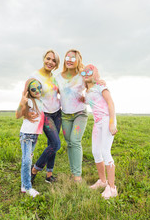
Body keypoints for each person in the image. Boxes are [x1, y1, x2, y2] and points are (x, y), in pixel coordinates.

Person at [82, 64, 118, 199]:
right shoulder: (88, 91)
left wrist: (111, 123)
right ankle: (103, 182)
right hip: (97, 124)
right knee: (96, 152)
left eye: (90, 71)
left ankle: (112, 188)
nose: (86, 73)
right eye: (84, 72)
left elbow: (110, 103)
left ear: (96, 73)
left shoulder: (101, 86)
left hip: (107, 120)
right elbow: (85, 101)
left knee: (105, 152)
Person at [55, 49, 88, 182]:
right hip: (65, 115)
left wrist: (100, 81)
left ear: (78, 60)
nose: (69, 60)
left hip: (80, 114)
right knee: (69, 143)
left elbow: (92, 86)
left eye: (73, 58)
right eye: (67, 57)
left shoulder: (82, 75)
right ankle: (73, 172)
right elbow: (52, 93)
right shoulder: (58, 77)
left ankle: (77, 175)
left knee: (75, 141)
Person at [30, 50, 61, 184]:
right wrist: (28, 111)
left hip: (57, 113)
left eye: (53, 60)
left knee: (51, 144)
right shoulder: (35, 76)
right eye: (48, 59)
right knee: (56, 144)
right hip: (45, 114)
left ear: (56, 64)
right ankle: (35, 169)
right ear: (44, 59)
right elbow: (28, 94)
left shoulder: (54, 77)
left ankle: (49, 175)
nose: (50, 62)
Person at [16, 78, 44, 197]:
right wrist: (22, 103)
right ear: (29, 91)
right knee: (27, 161)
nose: (37, 90)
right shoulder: (28, 101)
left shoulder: (40, 101)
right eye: (33, 89)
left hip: (35, 135)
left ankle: (24, 184)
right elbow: (17, 115)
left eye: (39, 87)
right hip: (26, 134)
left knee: (28, 160)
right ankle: (28, 187)